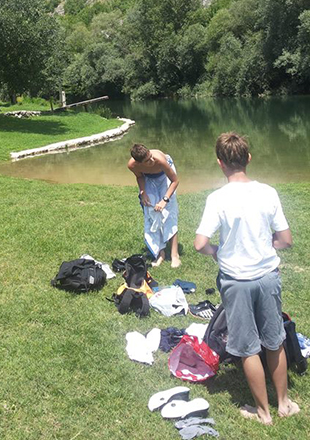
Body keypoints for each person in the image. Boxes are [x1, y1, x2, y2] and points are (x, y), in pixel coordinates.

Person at [194, 132, 299, 425]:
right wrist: (267, 244)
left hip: (236, 281)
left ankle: (263, 412)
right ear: (248, 159)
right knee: (274, 340)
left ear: (220, 163)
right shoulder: (268, 193)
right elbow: (286, 240)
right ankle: (284, 403)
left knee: (248, 347)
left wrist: (217, 251)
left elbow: (200, 244)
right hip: (267, 277)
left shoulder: (217, 198)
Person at [128, 143, 180, 268]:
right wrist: (143, 192)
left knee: (169, 213)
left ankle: (175, 255)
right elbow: (139, 177)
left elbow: (175, 180)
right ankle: (160, 253)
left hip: (165, 176)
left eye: (150, 156)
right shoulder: (132, 165)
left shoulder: (160, 160)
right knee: (151, 211)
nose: (152, 160)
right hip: (149, 178)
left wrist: (164, 200)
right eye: (147, 160)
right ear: (139, 163)